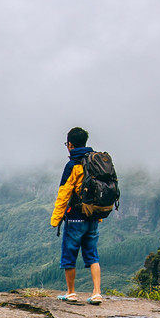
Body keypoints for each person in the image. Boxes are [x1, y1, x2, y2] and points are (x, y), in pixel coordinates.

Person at [50, 126, 103, 304]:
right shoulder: (95, 161)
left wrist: (55, 219)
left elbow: (64, 193)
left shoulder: (73, 165)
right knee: (92, 254)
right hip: (93, 216)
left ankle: (71, 292)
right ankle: (96, 293)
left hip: (75, 217)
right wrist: (98, 214)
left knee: (69, 254)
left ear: (70, 145)